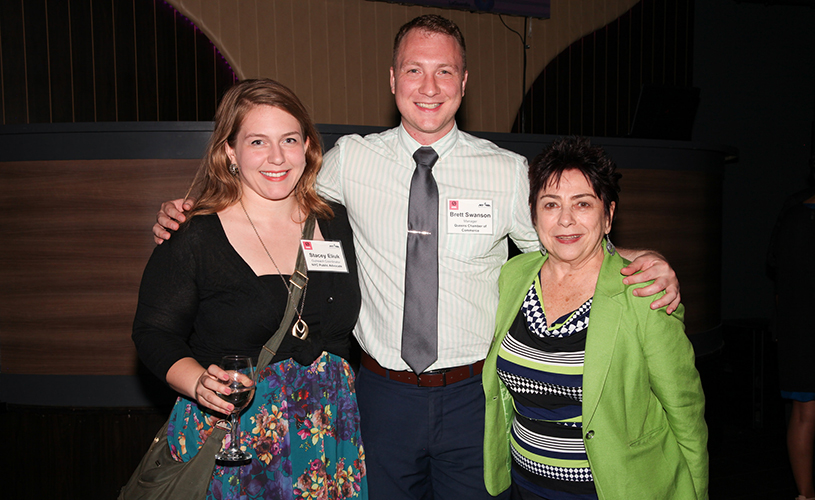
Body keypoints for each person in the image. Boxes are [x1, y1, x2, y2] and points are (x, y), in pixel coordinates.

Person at [152, 16, 681, 500]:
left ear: (465, 82)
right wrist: (190, 209)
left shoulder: (507, 172)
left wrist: (632, 256)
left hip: (477, 396)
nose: (429, 88)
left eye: (444, 71)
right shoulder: (351, 161)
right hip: (382, 397)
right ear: (392, 80)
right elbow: (273, 182)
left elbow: (567, 245)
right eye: (414, 70)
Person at [133, 79, 367, 499]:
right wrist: (197, 381)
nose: (276, 157)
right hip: (236, 437)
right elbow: (153, 332)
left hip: (328, 433)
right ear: (230, 151)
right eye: (257, 141)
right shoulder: (195, 234)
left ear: (308, 147)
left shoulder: (336, 223)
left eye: (289, 140)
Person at [483, 136, 708, 500]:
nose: (565, 219)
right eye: (551, 204)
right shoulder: (515, 276)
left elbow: (684, 409)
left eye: (583, 204)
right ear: (534, 214)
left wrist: (696, 491)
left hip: (613, 487)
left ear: (608, 215)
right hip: (526, 484)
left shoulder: (643, 291)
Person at [767, 163, 815, 500]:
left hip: (797, 329)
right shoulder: (798, 215)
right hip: (803, 328)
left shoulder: (793, 212)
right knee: (806, 413)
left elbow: (778, 277)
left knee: (804, 413)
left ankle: (805, 494)